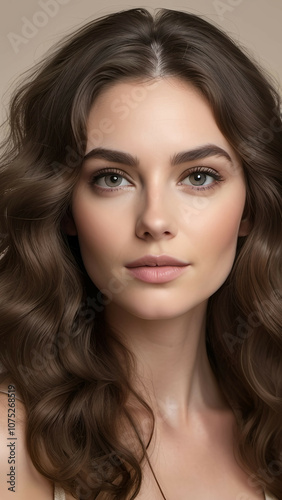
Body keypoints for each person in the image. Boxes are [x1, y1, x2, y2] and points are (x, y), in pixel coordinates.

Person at [0, 7, 281, 500]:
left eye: (198, 177)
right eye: (113, 178)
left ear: (251, 208)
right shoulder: (8, 441)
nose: (154, 221)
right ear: (65, 205)